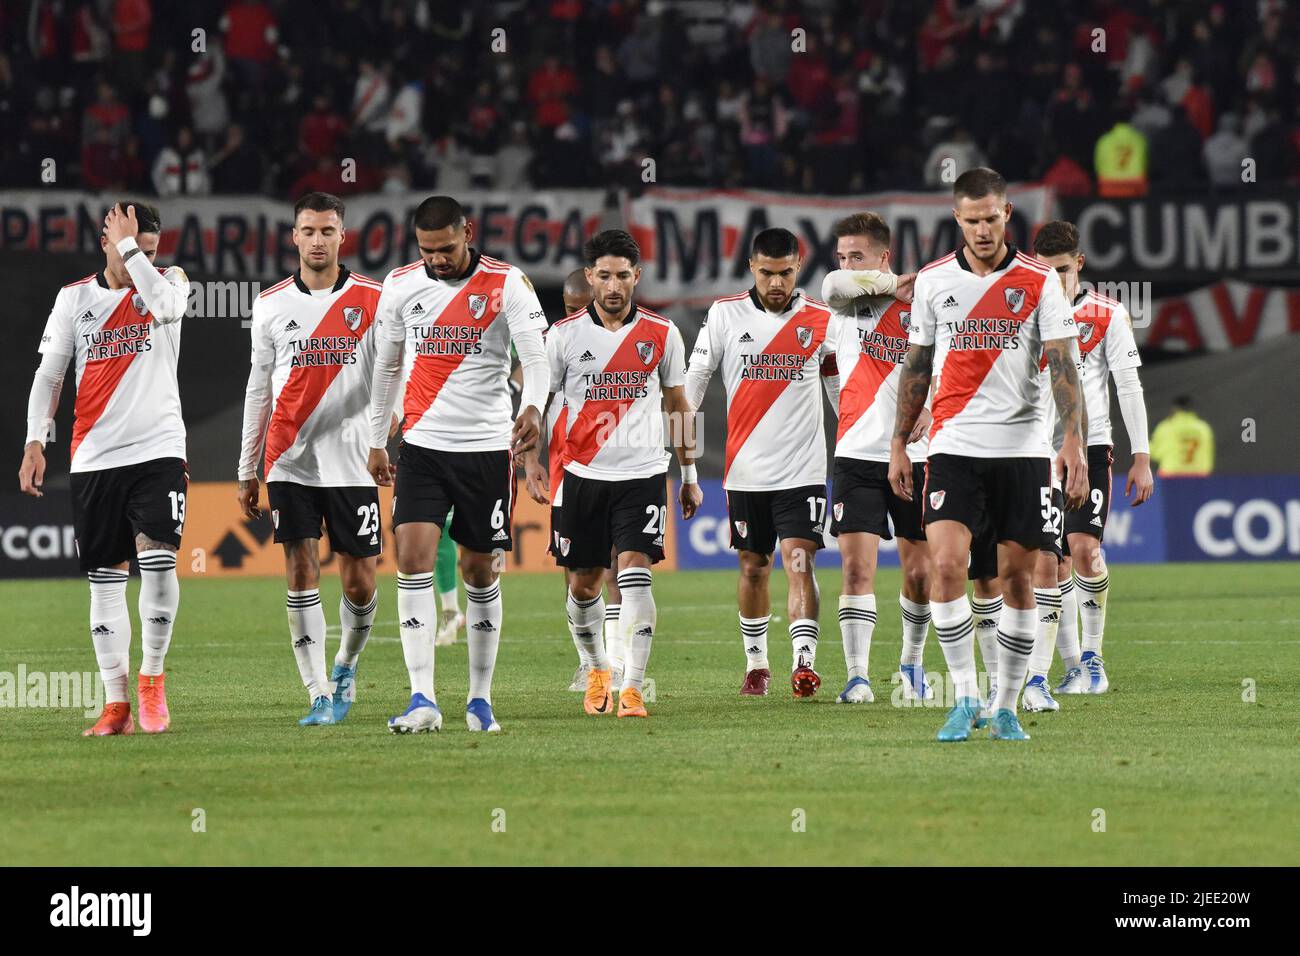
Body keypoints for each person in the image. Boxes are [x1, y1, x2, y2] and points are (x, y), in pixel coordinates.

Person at [889, 167, 1088, 743]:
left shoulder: (1038, 281)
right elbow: (918, 367)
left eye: (991, 218)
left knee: (1017, 580)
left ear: (1008, 215)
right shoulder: (931, 282)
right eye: (971, 220)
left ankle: (1005, 706)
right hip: (952, 446)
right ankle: (965, 697)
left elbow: (1062, 363)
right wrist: (900, 442)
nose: (981, 229)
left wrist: (1071, 439)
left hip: (1023, 450)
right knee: (945, 565)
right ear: (957, 219)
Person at [367, 196, 548, 734]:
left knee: (478, 570)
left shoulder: (507, 283)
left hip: (487, 449)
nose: (438, 259)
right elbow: (387, 365)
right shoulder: (400, 285)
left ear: (467, 233)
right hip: (422, 447)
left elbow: (535, 357)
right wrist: (378, 437)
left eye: (446, 248)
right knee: (413, 557)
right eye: (427, 250)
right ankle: (422, 696)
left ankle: (479, 699)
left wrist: (534, 405)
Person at [20, 201, 190, 736]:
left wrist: (132, 248)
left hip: (159, 448)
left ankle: (152, 682)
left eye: (152, 249)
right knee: (104, 580)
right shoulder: (74, 298)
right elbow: (50, 375)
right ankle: (115, 705)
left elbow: (163, 307)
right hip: (94, 456)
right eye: (133, 246)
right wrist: (34, 440)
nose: (145, 258)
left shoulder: (169, 282)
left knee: (159, 562)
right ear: (104, 241)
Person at [522, 230, 700, 718]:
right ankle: (598, 667)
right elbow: (541, 402)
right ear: (590, 278)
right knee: (583, 586)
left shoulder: (663, 334)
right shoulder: (563, 337)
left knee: (636, 576)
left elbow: (678, 405)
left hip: (643, 475)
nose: (614, 285)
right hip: (581, 475)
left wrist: (688, 472)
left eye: (623, 275)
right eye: (604, 276)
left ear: (636, 277)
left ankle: (634, 688)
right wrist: (532, 461)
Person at [236, 192, 388, 726]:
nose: (317, 240)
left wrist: (384, 435)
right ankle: (318, 692)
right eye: (308, 231)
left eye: (327, 230)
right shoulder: (272, 303)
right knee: (300, 568)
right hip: (289, 461)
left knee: (359, 582)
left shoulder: (374, 299)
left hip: (352, 464)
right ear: (294, 236)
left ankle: (345, 662)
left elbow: (396, 375)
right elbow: (259, 388)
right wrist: (246, 467)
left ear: (342, 235)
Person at [686, 228, 840, 699]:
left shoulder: (820, 318)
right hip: (745, 473)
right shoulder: (724, 315)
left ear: (799, 268)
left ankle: (803, 665)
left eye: (786, 273)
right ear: (752, 267)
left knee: (800, 561)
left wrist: (860, 442)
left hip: (804, 471)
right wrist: (680, 461)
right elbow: (692, 385)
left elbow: (838, 390)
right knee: (754, 567)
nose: (777, 283)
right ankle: (757, 666)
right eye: (768, 273)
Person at [1033, 220, 1155, 695]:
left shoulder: (1108, 314)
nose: (1055, 281)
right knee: (1051, 561)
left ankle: (1093, 659)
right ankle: (1069, 666)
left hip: (1091, 445)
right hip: (1035, 452)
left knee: (1084, 550)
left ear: (1078, 264)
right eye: (1046, 272)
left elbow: (1128, 385)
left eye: (1062, 270)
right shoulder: (1025, 315)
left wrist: (1141, 456)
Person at [819, 212, 934, 704]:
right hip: (857, 458)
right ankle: (857, 676)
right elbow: (830, 285)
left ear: (883, 255)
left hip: (918, 454)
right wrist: (843, 408)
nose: (847, 266)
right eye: (843, 256)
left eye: (857, 256)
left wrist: (932, 404)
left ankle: (911, 664)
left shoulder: (926, 306)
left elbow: (952, 362)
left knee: (921, 572)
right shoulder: (842, 307)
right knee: (855, 570)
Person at [1149, 396, 1213, 477]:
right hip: (1199, 476)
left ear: (1174, 409)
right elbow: (1208, 455)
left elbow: (1156, 454)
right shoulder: (1203, 428)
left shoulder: (1167, 427)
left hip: (1171, 475)